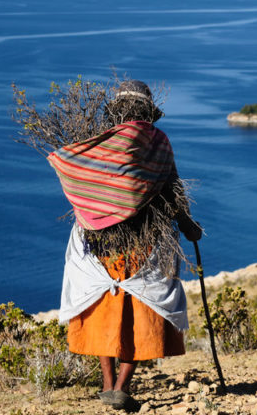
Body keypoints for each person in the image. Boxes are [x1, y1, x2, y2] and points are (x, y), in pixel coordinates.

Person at [48, 80, 201, 410]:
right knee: (143, 312)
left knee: (104, 312)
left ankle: (107, 383)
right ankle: (121, 385)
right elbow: (173, 188)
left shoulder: (97, 144)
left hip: (99, 245)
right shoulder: (158, 141)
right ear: (148, 111)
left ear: (116, 112)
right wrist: (189, 227)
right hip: (144, 244)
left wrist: (96, 207)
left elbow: (71, 169)